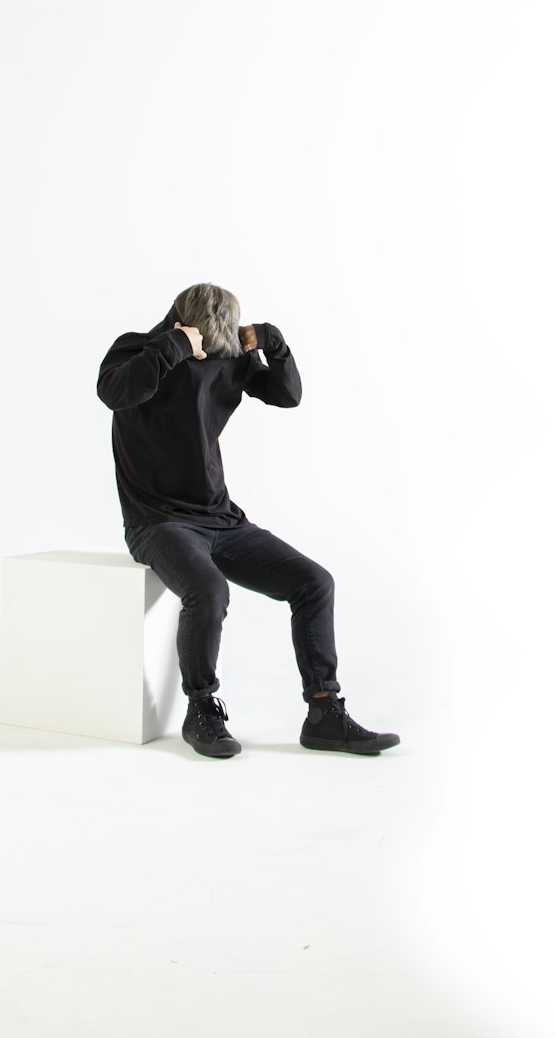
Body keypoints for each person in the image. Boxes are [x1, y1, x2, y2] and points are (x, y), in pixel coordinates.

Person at [96, 282, 400, 760]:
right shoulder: (137, 349)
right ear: (181, 325)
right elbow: (114, 392)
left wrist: (274, 344)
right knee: (208, 591)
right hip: (156, 523)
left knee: (314, 582)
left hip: (222, 519)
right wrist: (174, 345)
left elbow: (286, 395)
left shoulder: (229, 358)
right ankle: (202, 709)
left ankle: (324, 712)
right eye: (203, 346)